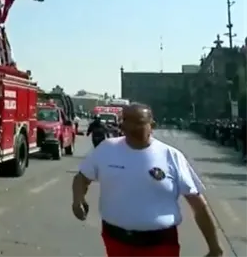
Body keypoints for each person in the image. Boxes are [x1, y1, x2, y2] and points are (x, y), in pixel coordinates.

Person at [71, 103, 223, 257]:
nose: (130, 126)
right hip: (116, 241)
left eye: (138, 122)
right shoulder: (106, 149)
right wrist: (78, 199)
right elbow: (82, 178)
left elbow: (199, 205)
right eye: (126, 120)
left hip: (161, 245)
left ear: (152, 125)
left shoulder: (171, 156)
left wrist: (215, 247)